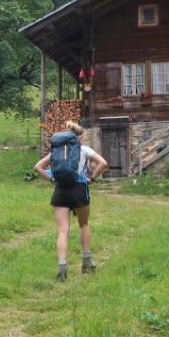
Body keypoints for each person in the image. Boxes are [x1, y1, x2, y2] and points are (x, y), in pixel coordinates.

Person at [34, 121, 108, 282]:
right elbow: (103, 163)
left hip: (60, 191)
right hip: (79, 189)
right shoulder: (84, 149)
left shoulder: (57, 151)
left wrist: (52, 179)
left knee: (62, 230)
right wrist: (92, 178)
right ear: (80, 137)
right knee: (83, 225)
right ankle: (87, 262)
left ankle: (62, 266)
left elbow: (38, 167)